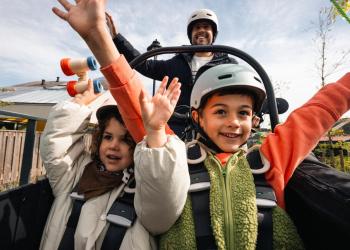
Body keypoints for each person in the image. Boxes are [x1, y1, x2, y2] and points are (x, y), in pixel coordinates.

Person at [52, 0, 350, 248]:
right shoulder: (176, 156)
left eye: (243, 113)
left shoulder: (269, 158)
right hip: (179, 134)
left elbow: (322, 108)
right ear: (199, 116)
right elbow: (135, 95)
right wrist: (102, 39)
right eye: (221, 112)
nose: (233, 122)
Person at [39, 80, 156, 249]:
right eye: (108, 137)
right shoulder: (74, 173)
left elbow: (164, 184)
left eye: (125, 140)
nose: (114, 145)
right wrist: (80, 103)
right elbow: (55, 146)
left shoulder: (144, 188)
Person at [106, 8, 238, 137]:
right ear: (190, 34)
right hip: (178, 127)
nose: (201, 30)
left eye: (206, 27)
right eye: (197, 28)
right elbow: (144, 65)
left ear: (213, 34)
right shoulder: (178, 62)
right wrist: (117, 38)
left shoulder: (227, 64)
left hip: (214, 128)